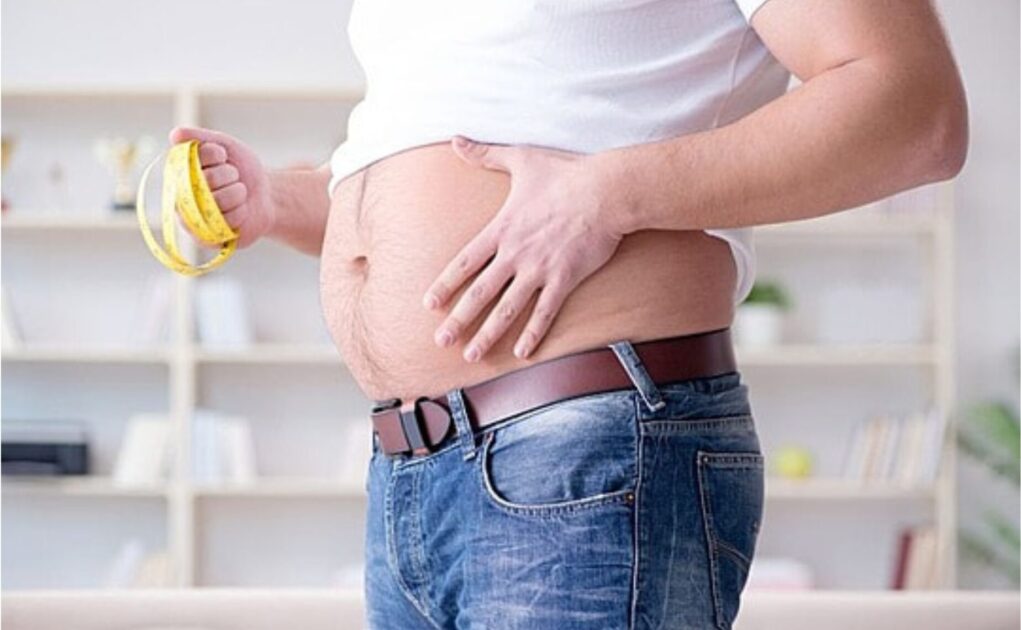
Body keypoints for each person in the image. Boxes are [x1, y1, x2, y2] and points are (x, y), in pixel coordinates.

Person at [170, 0, 967, 627]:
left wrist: (606, 195)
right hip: (411, 473)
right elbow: (444, 158)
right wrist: (285, 199)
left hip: (584, 448)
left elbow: (913, 107)